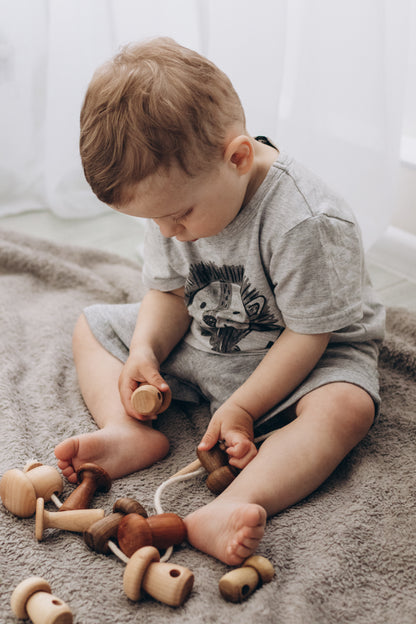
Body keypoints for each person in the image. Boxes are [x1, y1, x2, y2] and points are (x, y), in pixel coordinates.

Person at [54, 37, 385, 565]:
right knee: (92, 327)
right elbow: (167, 293)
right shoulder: (173, 202)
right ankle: (125, 430)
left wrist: (244, 407)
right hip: (207, 340)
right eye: (153, 221)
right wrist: (144, 352)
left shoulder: (307, 221)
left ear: (237, 157)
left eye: (178, 217)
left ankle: (232, 503)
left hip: (302, 354)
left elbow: (311, 334)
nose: (168, 232)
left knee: (346, 408)